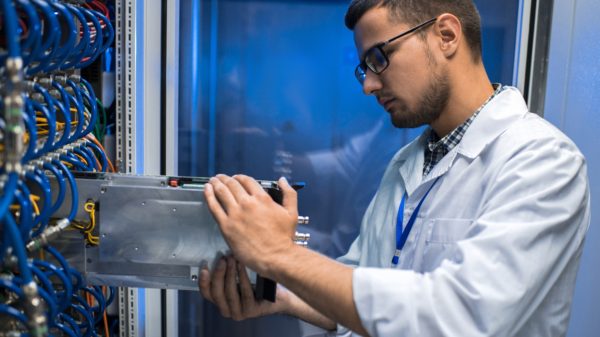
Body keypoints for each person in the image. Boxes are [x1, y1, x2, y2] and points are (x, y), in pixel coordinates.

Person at [199, 0, 591, 336]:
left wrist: (278, 255)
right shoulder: (407, 164)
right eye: (365, 67)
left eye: (379, 58)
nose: (368, 85)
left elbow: (460, 318)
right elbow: (365, 281)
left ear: (447, 35)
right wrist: (284, 295)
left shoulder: (543, 161)